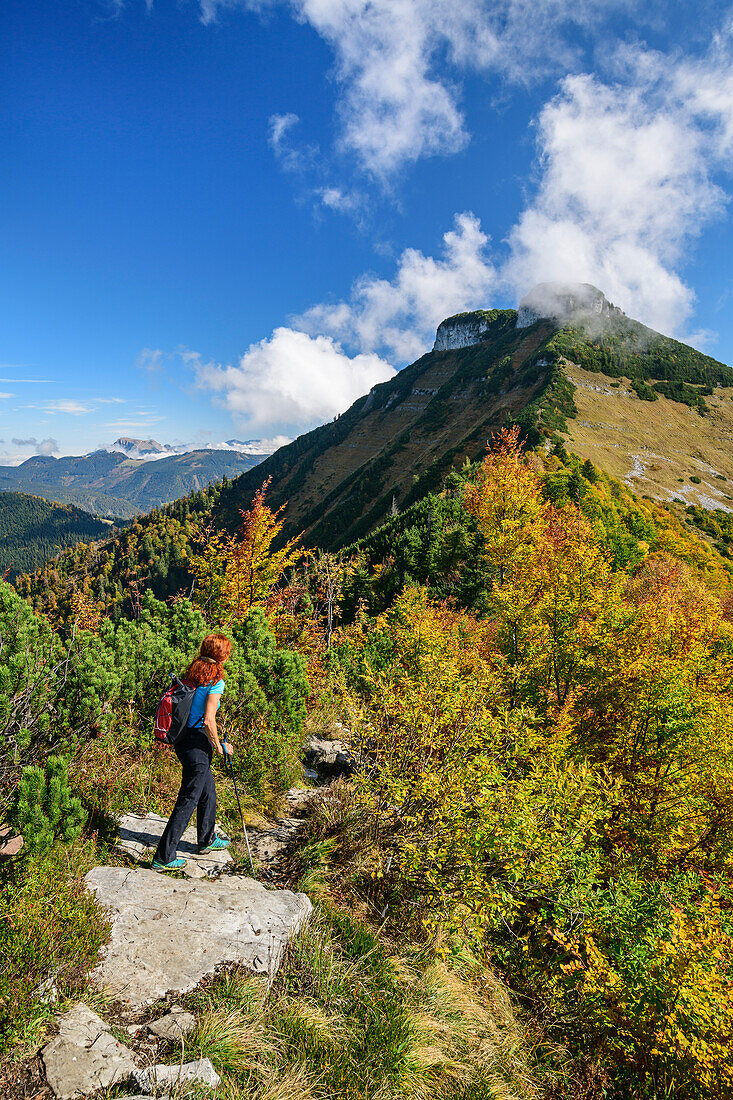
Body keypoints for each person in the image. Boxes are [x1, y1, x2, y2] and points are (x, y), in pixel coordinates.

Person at [152, 633, 234, 871]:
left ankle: (206, 839)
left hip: (182, 739)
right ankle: (164, 856)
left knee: (208, 790)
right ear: (223, 657)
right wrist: (220, 747)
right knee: (188, 799)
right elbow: (209, 720)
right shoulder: (216, 682)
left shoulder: (193, 673)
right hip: (197, 743)